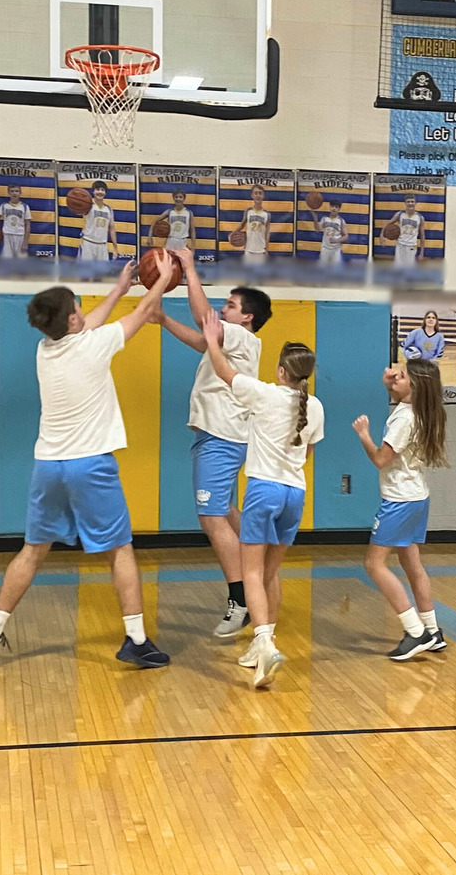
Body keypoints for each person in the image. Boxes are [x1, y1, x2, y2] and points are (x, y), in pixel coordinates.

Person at [0, 253, 175, 667]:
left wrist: (118, 288)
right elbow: (143, 312)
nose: (83, 310)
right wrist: (163, 278)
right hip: (90, 465)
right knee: (120, 550)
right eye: (77, 307)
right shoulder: (93, 346)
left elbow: (88, 325)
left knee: (32, 550)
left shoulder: (45, 350)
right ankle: (136, 640)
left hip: (48, 465)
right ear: (71, 319)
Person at [200, 309, 324, 687]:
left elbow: (224, 371)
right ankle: (263, 644)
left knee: (251, 573)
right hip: (295, 493)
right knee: (269, 573)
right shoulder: (315, 406)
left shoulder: (264, 393)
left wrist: (211, 340)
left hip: (263, 490)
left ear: (282, 371)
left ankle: (265, 644)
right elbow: (307, 454)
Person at [155, 247, 273, 636]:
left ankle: (240, 599)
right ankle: (258, 572)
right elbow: (201, 340)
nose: (223, 309)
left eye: (231, 305)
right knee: (226, 512)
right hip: (221, 435)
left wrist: (189, 268)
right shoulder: (233, 341)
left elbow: (204, 319)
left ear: (247, 317)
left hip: (222, 436)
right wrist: (163, 320)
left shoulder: (240, 336)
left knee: (210, 516)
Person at [352, 359, 449, 660]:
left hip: (399, 501)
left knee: (374, 565)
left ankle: (415, 631)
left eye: (402, 376)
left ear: (415, 387)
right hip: (417, 497)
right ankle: (432, 631)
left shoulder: (404, 419)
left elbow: (381, 459)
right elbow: (400, 396)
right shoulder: (421, 411)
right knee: (412, 565)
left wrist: (364, 435)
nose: (395, 377)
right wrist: (390, 386)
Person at [77, 180, 119, 261]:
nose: (100, 192)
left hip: (102, 245)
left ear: (105, 193)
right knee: (85, 269)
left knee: (102, 269)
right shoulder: (87, 206)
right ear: (93, 191)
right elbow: (78, 211)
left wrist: (115, 247)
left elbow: (112, 228)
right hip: (88, 243)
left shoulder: (109, 209)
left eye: (102, 190)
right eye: (97, 189)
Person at [0, 183, 31, 258]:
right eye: (12, 191)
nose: (14, 193)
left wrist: (25, 242)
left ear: (20, 193)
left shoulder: (25, 207)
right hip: (7, 234)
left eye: (17, 191)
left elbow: (28, 225)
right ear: (8, 193)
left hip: (20, 235)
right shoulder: (4, 206)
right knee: (7, 258)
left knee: (21, 258)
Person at [388, 193, 425, 268]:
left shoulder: (420, 217)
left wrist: (421, 253)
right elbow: (388, 223)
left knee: (408, 270)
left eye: (412, 201)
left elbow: (422, 236)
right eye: (408, 202)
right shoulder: (399, 214)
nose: (410, 203)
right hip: (400, 245)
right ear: (405, 203)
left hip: (412, 246)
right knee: (398, 269)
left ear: (415, 203)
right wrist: (382, 234)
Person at [235, 184, 270, 262]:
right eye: (256, 193)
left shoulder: (267, 214)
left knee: (260, 270)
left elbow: (267, 232)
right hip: (249, 249)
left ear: (263, 196)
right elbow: (242, 225)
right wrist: (232, 234)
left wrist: (266, 249)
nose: (258, 195)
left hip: (261, 250)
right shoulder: (248, 211)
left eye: (260, 193)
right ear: (252, 195)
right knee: (247, 270)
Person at [310, 199, 348, 266]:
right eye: (332, 206)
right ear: (330, 207)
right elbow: (317, 229)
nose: (334, 208)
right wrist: (315, 219)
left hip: (336, 250)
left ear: (339, 209)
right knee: (323, 269)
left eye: (336, 207)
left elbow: (346, 236)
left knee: (335, 270)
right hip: (325, 248)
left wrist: (336, 241)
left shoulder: (341, 221)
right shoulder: (324, 219)